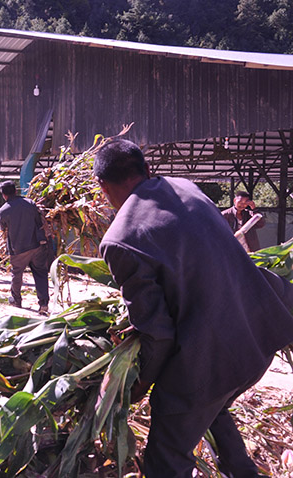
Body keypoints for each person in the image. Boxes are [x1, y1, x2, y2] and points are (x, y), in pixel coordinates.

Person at [94, 139, 293, 478]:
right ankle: (244, 472)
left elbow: (158, 334)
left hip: (212, 356)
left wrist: (138, 386)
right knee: (209, 407)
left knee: (166, 457)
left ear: (102, 188)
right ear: (147, 169)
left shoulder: (119, 240)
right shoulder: (185, 188)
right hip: (259, 336)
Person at [0, 180, 49, 313]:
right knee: (40, 273)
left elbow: (2, 228)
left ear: (4, 195)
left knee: (17, 273)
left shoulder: (3, 210)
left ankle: (17, 300)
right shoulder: (30, 203)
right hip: (37, 245)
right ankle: (43, 303)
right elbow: (39, 221)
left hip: (18, 249)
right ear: (16, 191)